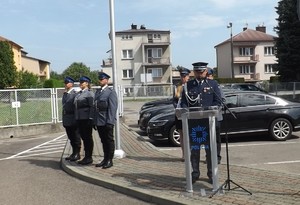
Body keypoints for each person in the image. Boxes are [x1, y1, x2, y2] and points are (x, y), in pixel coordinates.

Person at [180, 62, 222, 184]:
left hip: (208, 124)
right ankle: (195, 173)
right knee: (195, 150)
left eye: (202, 71)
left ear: (206, 72)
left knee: (210, 151)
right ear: (194, 72)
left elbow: (218, 101)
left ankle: (211, 174)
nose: (200, 74)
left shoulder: (213, 84)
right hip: (194, 124)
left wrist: (211, 110)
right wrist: (184, 110)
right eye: (197, 72)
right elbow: (183, 102)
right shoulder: (189, 85)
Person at [94, 72, 118, 169]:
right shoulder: (98, 92)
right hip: (99, 120)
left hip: (106, 120)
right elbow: (95, 106)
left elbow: (113, 108)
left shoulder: (110, 92)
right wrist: (94, 121)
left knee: (109, 140)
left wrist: (110, 121)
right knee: (103, 141)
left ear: (106, 80)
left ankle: (109, 160)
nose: (100, 81)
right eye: (99, 79)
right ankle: (105, 158)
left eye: (102, 79)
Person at [74, 76, 95, 165]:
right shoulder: (79, 93)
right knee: (83, 137)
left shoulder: (89, 93)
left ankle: (88, 157)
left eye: (82, 82)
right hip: (80, 118)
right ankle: (86, 156)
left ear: (87, 83)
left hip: (86, 119)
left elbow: (92, 106)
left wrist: (91, 118)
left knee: (87, 138)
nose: (80, 84)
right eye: (80, 82)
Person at [206, 67, 224, 164]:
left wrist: (215, 109)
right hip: (205, 118)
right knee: (208, 139)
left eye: (209, 76)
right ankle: (208, 156)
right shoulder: (204, 86)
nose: (208, 78)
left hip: (216, 117)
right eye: (207, 76)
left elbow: (222, 100)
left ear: (212, 76)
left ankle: (217, 156)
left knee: (216, 139)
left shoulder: (217, 86)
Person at [173, 67, 190, 161]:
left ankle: (190, 153)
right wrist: (177, 109)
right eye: (182, 76)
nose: (183, 78)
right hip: (179, 114)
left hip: (188, 114)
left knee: (189, 135)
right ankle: (184, 154)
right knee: (182, 135)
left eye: (185, 76)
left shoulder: (191, 86)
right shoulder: (177, 86)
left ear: (188, 76)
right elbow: (174, 100)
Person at [62, 76, 81, 161]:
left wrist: (76, 119)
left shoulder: (74, 94)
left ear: (71, 84)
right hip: (67, 119)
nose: (65, 84)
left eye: (67, 83)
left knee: (76, 137)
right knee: (71, 138)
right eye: (65, 83)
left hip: (73, 118)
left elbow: (76, 108)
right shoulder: (65, 94)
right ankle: (73, 153)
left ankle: (77, 153)